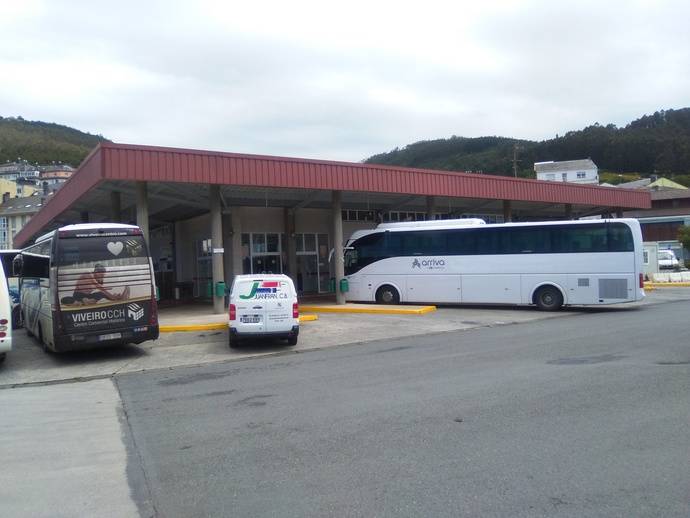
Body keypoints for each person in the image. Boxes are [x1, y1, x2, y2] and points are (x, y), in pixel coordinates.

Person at [61, 264, 130, 305]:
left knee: (101, 294)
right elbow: (102, 289)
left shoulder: (99, 280)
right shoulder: (88, 274)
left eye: (103, 275)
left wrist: (114, 296)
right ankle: (118, 298)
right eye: (101, 275)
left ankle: (121, 297)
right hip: (78, 295)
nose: (102, 277)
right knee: (88, 300)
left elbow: (103, 292)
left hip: (88, 296)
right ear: (96, 272)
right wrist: (112, 296)